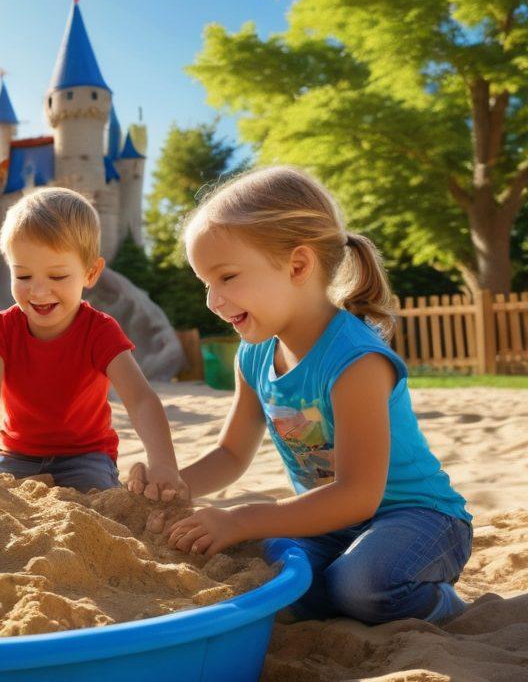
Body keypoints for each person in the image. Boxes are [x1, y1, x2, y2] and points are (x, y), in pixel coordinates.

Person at [149, 165, 470, 625]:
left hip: (417, 518)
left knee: (362, 588)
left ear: (298, 265)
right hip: (329, 522)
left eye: (227, 277)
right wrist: (174, 486)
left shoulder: (355, 359)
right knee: (274, 574)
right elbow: (230, 453)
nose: (212, 302)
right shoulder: (254, 355)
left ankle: (443, 604)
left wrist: (241, 518)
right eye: (206, 284)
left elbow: (359, 495)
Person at [0, 187, 186, 498]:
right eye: (22, 276)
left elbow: (140, 399)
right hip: (17, 454)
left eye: (58, 277)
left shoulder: (100, 331)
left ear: (90, 273)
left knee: (98, 504)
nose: (38, 291)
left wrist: (164, 463)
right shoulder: (0, 328)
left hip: (86, 456)